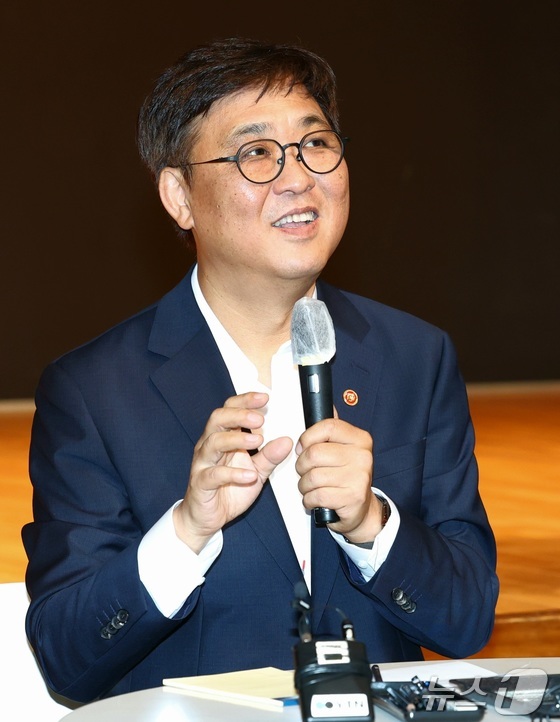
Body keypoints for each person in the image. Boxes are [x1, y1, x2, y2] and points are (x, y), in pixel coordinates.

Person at [22, 37, 499, 704]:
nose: (297, 177)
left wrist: (373, 524)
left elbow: (467, 618)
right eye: (256, 154)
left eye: (316, 144)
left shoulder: (415, 357)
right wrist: (186, 530)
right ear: (179, 196)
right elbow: (67, 660)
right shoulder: (94, 391)